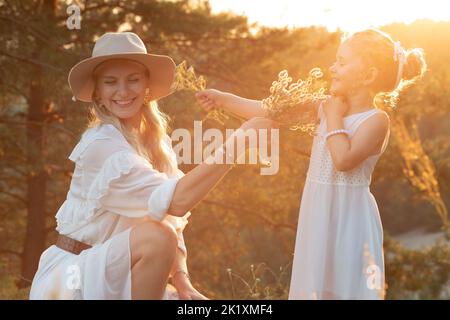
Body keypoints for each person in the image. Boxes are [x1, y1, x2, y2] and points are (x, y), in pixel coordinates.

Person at [29, 32, 274, 300]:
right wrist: (238, 142)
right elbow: (177, 203)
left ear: (147, 85)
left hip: (119, 269)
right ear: (97, 92)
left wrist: (182, 282)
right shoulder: (101, 145)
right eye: (111, 82)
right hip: (75, 276)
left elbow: (171, 221)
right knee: (157, 237)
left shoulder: (156, 142)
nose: (123, 92)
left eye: (133, 80)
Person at [196, 28, 427, 299]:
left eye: (342, 62)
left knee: (343, 288)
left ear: (368, 75)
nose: (333, 68)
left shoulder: (376, 120)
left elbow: (343, 160)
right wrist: (224, 99)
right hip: (318, 212)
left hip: (349, 220)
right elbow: (269, 109)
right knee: (315, 287)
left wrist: (333, 117)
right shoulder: (324, 107)